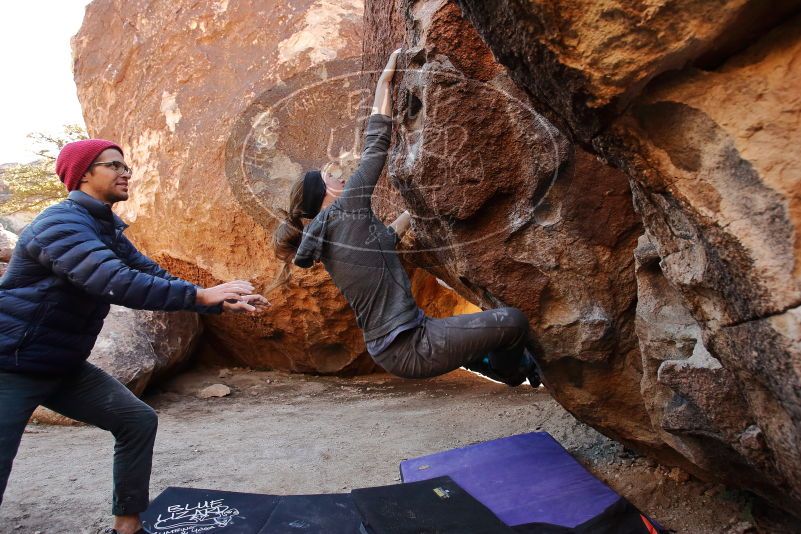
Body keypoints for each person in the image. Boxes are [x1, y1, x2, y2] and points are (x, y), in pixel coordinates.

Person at [0, 139, 269, 534]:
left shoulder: (103, 227)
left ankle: (128, 526)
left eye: (126, 166)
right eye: (113, 165)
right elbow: (113, 281)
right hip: (11, 365)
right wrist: (200, 295)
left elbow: (150, 273)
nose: (126, 172)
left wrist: (217, 301)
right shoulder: (59, 224)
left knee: (136, 421)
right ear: (84, 174)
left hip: (60, 364)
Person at [271, 49, 540, 388]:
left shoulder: (332, 236)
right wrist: (384, 83)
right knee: (512, 322)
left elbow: (390, 235)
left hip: (398, 347)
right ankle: (512, 371)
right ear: (326, 193)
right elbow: (375, 147)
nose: (339, 177)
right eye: (331, 178)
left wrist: (424, 201)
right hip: (413, 345)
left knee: (478, 330)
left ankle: (487, 359)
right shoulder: (345, 208)